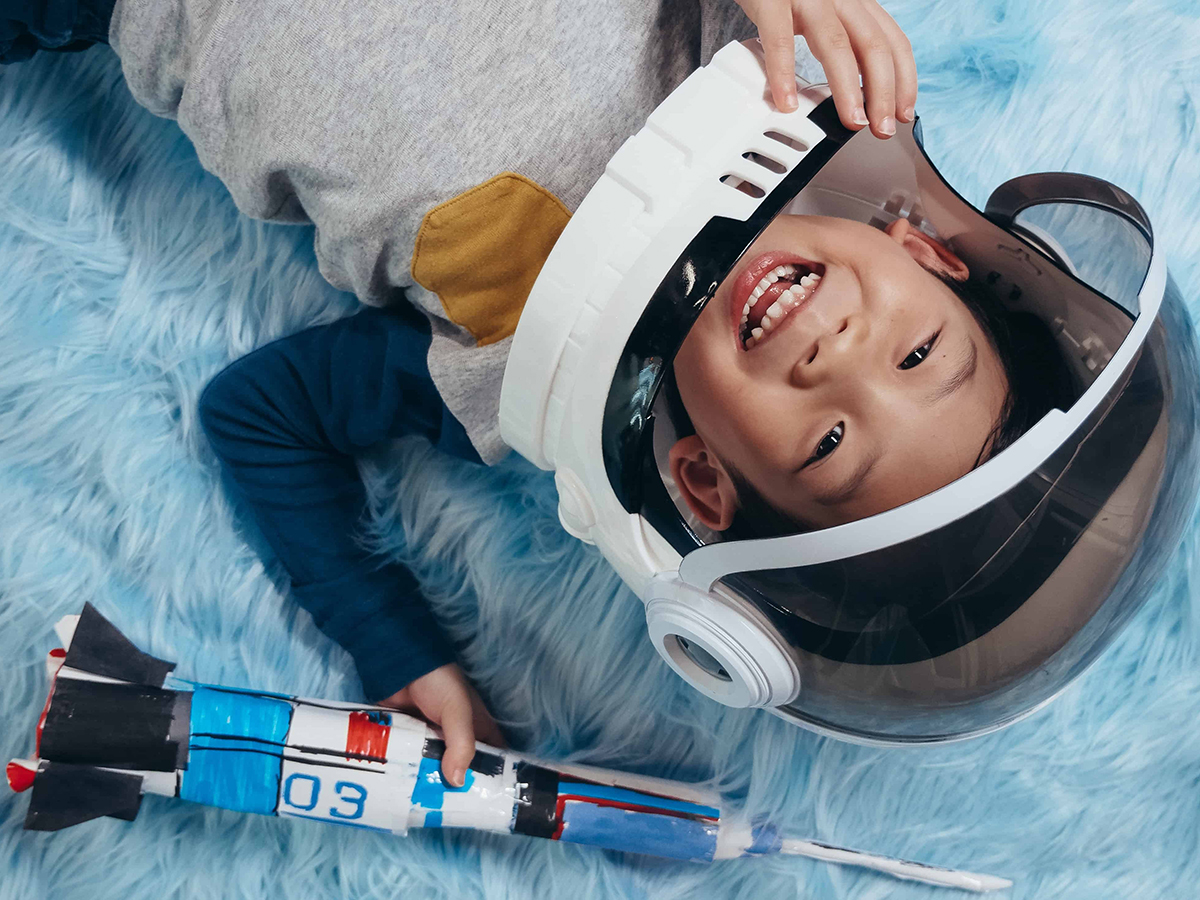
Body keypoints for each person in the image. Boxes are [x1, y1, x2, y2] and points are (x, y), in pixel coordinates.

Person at [2, 0, 925, 786]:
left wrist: (393, 641)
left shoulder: (510, 381)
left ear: (704, 481)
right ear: (926, 251)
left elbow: (262, 417)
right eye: (917, 356)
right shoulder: (757, 63)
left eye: (830, 444)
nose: (838, 358)